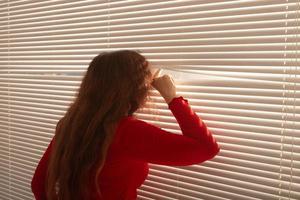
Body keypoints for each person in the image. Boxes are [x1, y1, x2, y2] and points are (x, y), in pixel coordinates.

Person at [31, 50, 220, 200]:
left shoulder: (72, 123)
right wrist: (173, 98)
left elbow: (39, 184)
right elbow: (206, 148)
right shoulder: (127, 132)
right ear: (136, 89)